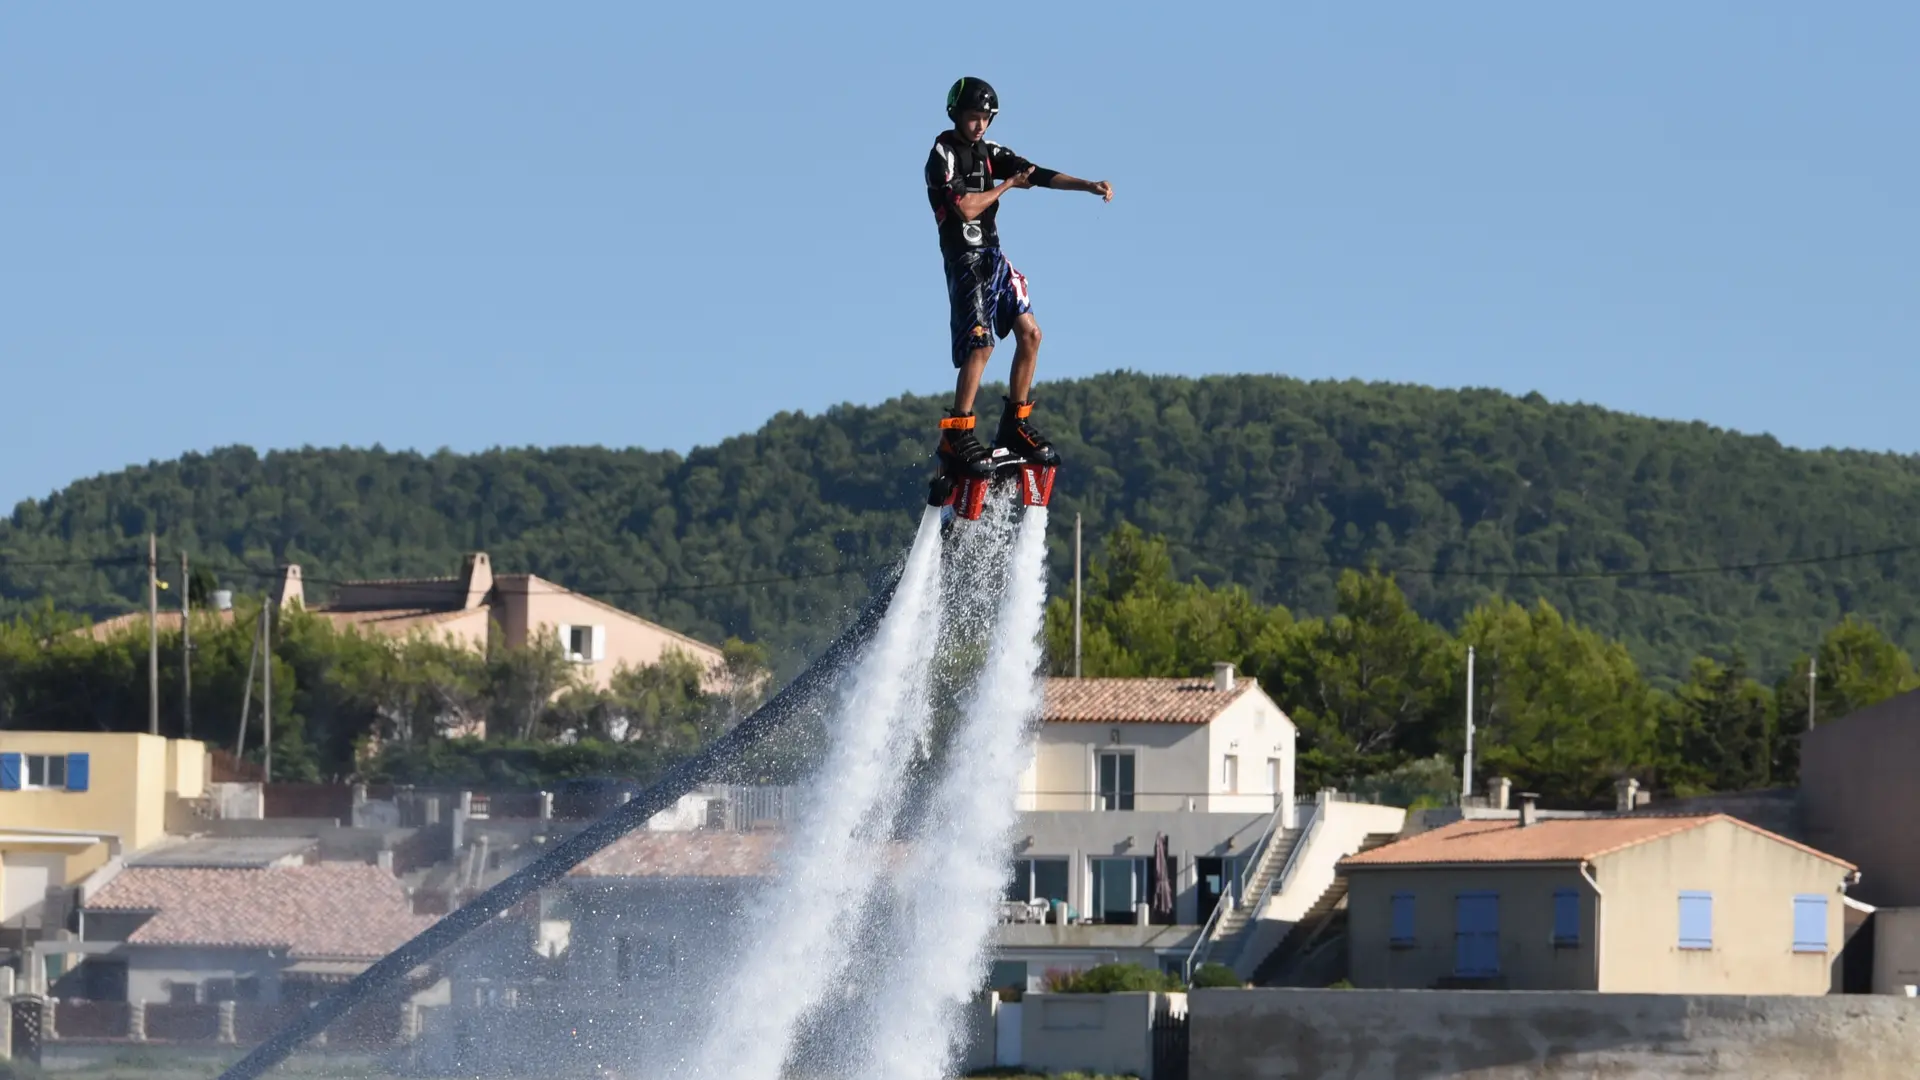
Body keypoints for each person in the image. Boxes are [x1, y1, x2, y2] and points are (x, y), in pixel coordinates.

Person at [926, 76, 1113, 479]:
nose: (980, 126)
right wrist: (1008, 185)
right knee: (981, 342)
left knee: (1031, 334)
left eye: (986, 119)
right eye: (974, 118)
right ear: (957, 115)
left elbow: (1037, 172)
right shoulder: (943, 153)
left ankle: (1014, 422)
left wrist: (1087, 186)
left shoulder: (989, 152)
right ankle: (959, 431)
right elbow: (966, 208)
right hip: (964, 259)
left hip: (993, 257)